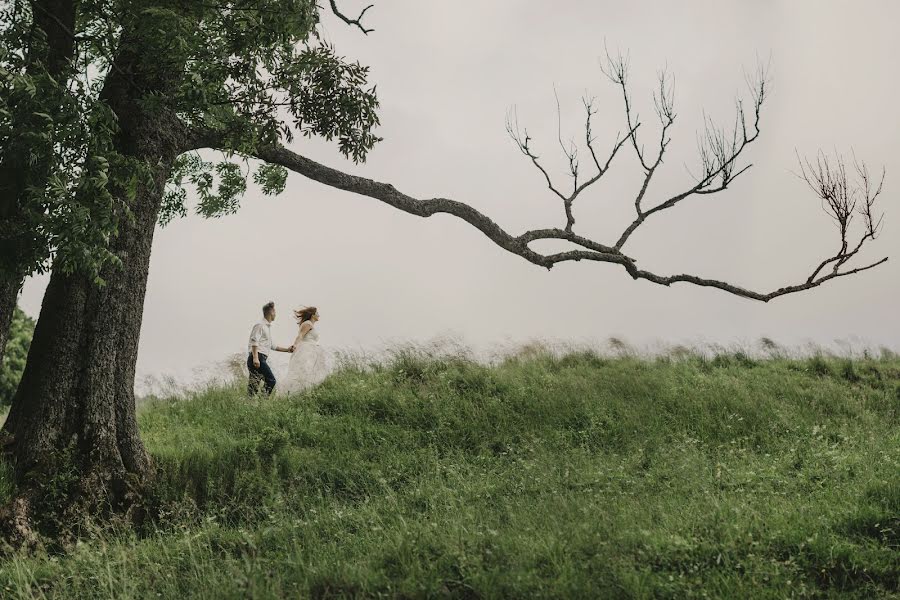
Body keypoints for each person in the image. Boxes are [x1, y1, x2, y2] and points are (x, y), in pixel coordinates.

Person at [278, 305, 329, 395]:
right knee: (303, 371)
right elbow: (300, 335)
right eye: (317, 313)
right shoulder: (307, 323)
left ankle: (306, 392)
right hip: (306, 350)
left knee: (310, 372)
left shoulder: (310, 324)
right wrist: (295, 345)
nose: (319, 315)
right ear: (312, 315)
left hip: (312, 350)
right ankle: (295, 393)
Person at [247, 301, 294, 395]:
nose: (275, 314)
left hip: (260, 357)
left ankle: (251, 405)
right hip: (257, 357)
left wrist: (287, 350)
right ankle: (263, 401)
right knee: (271, 380)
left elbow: (272, 346)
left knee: (254, 385)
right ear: (271, 312)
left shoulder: (267, 328)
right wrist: (256, 358)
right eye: (275, 312)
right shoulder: (260, 325)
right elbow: (254, 341)